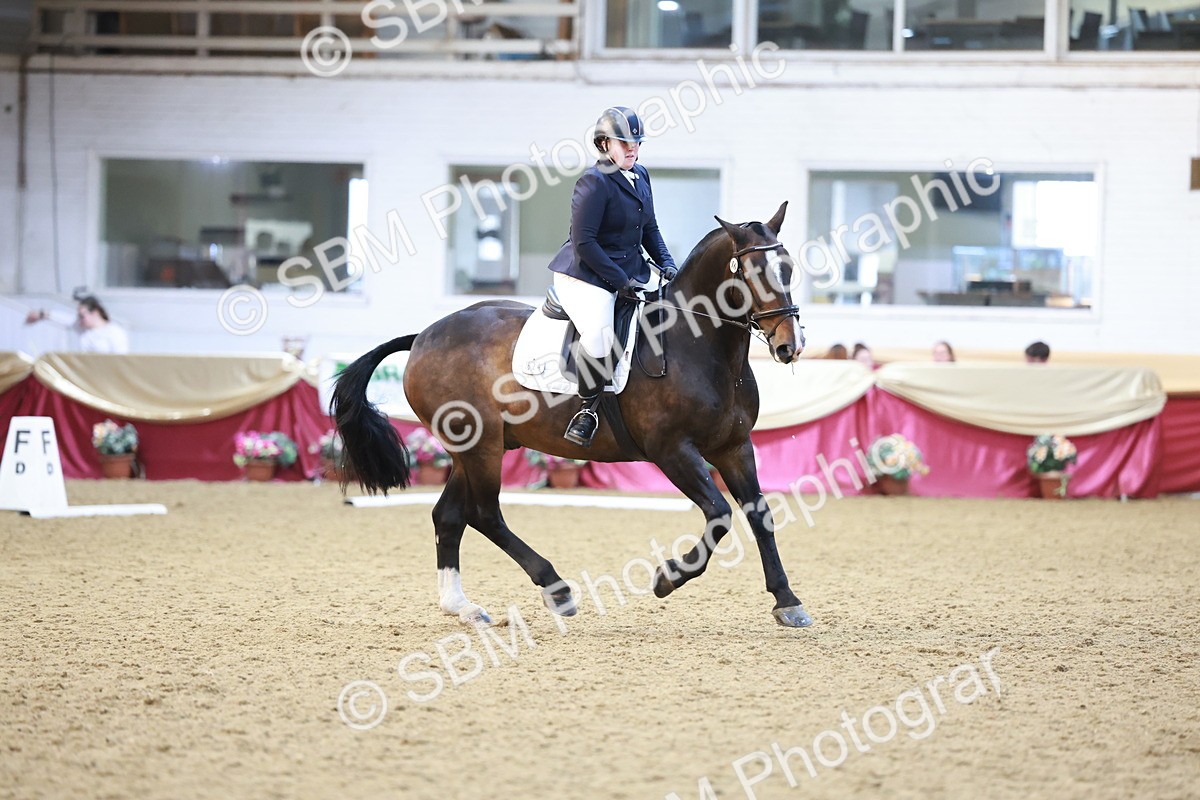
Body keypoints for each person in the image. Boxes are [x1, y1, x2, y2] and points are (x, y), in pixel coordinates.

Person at [547, 106, 677, 447]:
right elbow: (584, 242)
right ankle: (587, 409)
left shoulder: (642, 175)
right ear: (605, 144)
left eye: (637, 142)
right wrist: (621, 282)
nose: (632, 148)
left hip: (627, 271)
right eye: (624, 142)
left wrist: (668, 264)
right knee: (600, 336)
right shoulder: (594, 182)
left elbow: (650, 228)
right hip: (585, 275)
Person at [25, 295, 130, 353]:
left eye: (82, 316)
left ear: (95, 312)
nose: (79, 319)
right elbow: (63, 318)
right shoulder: (82, 327)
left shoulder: (115, 332)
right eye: (78, 316)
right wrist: (41, 314)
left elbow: (120, 359)